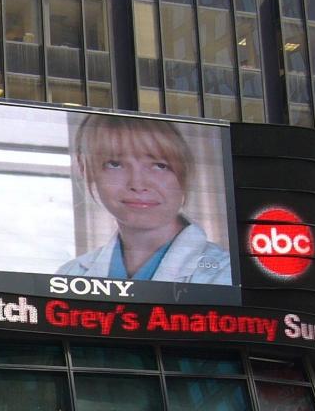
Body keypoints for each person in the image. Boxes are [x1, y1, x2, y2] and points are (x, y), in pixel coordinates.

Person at [58, 114, 230, 284]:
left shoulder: (227, 272)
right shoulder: (69, 274)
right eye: (115, 164)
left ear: (184, 172)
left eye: (160, 166)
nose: (138, 184)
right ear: (85, 169)